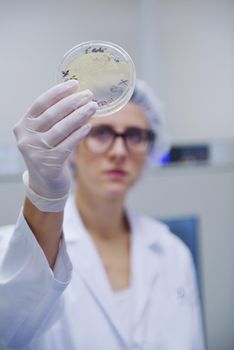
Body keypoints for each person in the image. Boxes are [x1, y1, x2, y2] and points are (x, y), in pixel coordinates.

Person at [0, 79, 205, 350]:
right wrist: (44, 194)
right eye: (101, 133)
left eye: (134, 136)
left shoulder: (173, 253)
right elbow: (9, 332)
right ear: (72, 144)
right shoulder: (9, 251)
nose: (119, 152)